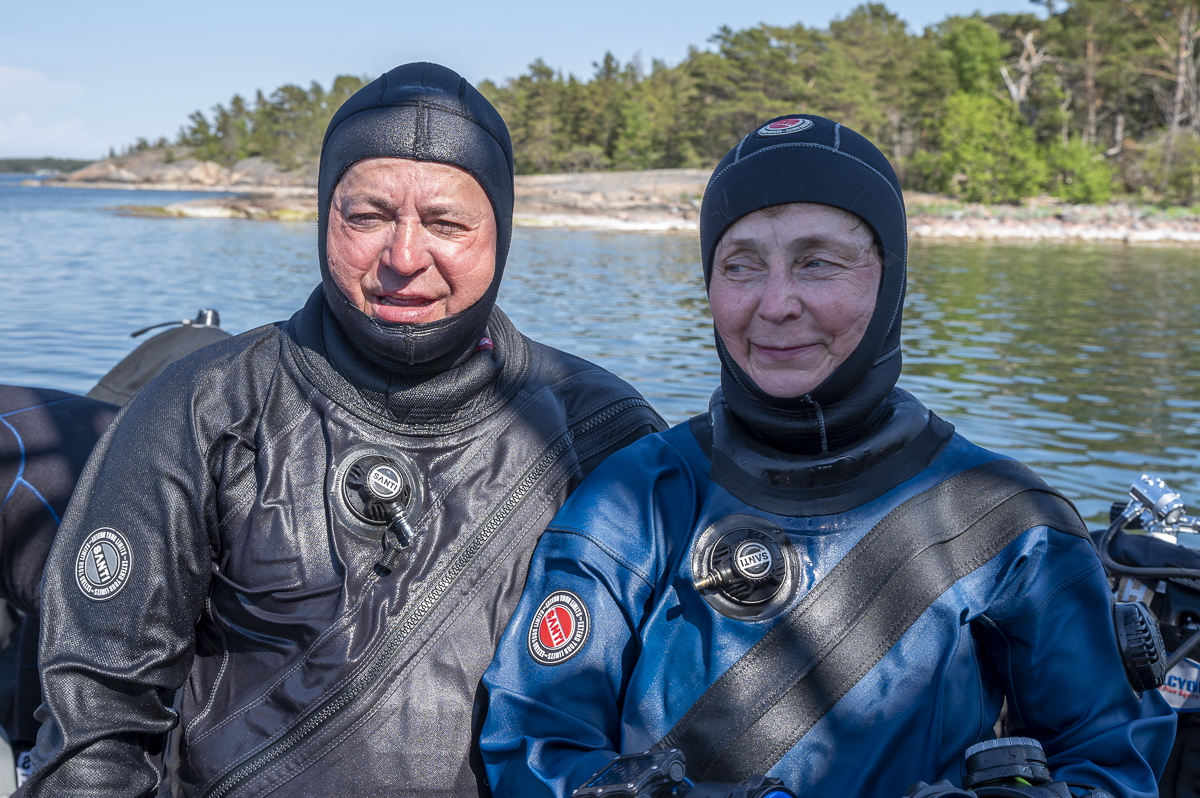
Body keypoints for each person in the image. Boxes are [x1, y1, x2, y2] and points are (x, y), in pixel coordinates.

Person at [479, 114, 1176, 798]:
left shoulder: (1006, 521)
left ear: (890, 279)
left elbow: (1111, 760)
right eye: (741, 265)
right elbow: (533, 738)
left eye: (817, 262)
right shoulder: (638, 497)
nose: (776, 303)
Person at [21, 62, 663, 798]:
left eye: (447, 223)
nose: (405, 257)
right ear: (325, 216)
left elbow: (656, 709)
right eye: (368, 216)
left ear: (502, 232)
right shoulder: (207, 408)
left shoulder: (601, 428)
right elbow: (97, 714)